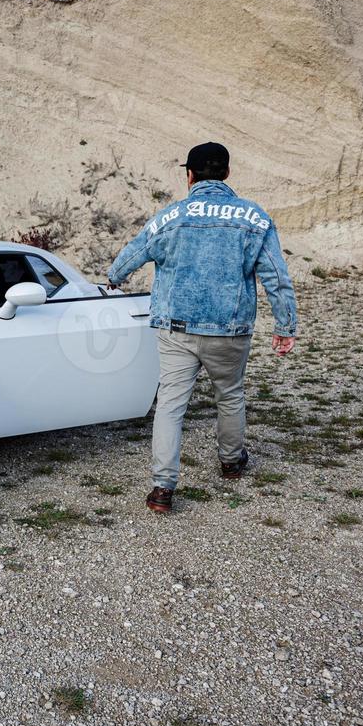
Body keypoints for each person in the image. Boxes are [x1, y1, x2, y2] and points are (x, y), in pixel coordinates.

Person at [106, 143, 299, 514]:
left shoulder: (171, 216)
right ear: (227, 174)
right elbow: (276, 275)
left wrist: (115, 278)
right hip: (230, 329)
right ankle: (230, 461)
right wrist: (285, 326)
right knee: (229, 394)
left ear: (189, 175)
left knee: (171, 405)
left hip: (176, 328)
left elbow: (133, 253)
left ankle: (162, 487)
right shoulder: (254, 217)